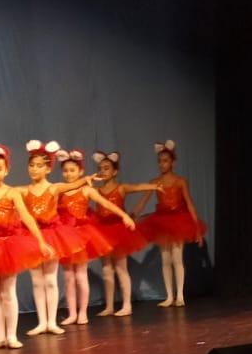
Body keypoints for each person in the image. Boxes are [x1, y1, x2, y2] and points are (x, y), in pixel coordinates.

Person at [0, 143, 54, 349]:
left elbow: (27, 218)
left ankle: (11, 336)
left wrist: (41, 241)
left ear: (6, 169)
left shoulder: (12, 193)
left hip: (9, 246)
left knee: (8, 291)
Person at [119, 140, 206, 309]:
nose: (162, 164)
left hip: (179, 221)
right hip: (162, 221)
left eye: (165, 160)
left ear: (173, 162)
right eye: (159, 161)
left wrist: (196, 227)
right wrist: (133, 215)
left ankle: (180, 296)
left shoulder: (180, 181)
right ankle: (169, 296)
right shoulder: (155, 182)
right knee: (165, 259)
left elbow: (189, 204)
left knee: (177, 258)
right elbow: (143, 201)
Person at [53, 149, 136, 326]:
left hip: (81, 235)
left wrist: (124, 215)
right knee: (68, 277)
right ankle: (72, 313)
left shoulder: (87, 190)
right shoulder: (60, 191)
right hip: (65, 236)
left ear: (81, 171)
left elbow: (106, 203)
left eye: (72, 170)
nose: (68, 174)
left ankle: (83, 313)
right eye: (65, 171)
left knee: (81, 274)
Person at [18, 140, 91, 337]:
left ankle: (52, 322)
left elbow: (74, 184)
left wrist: (87, 179)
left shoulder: (54, 188)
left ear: (48, 168)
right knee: (37, 281)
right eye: (32, 165)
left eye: (39, 165)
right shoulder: (23, 191)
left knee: (50, 280)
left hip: (53, 235)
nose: (34, 169)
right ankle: (42, 322)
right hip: (32, 236)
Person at [91, 151, 146, 317]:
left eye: (107, 168)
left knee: (121, 268)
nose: (103, 171)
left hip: (118, 231)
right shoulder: (96, 191)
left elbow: (138, 187)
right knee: (106, 269)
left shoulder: (121, 188)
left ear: (115, 171)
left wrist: (154, 186)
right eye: (101, 168)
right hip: (102, 231)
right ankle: (109, 306)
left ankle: (127, 305)